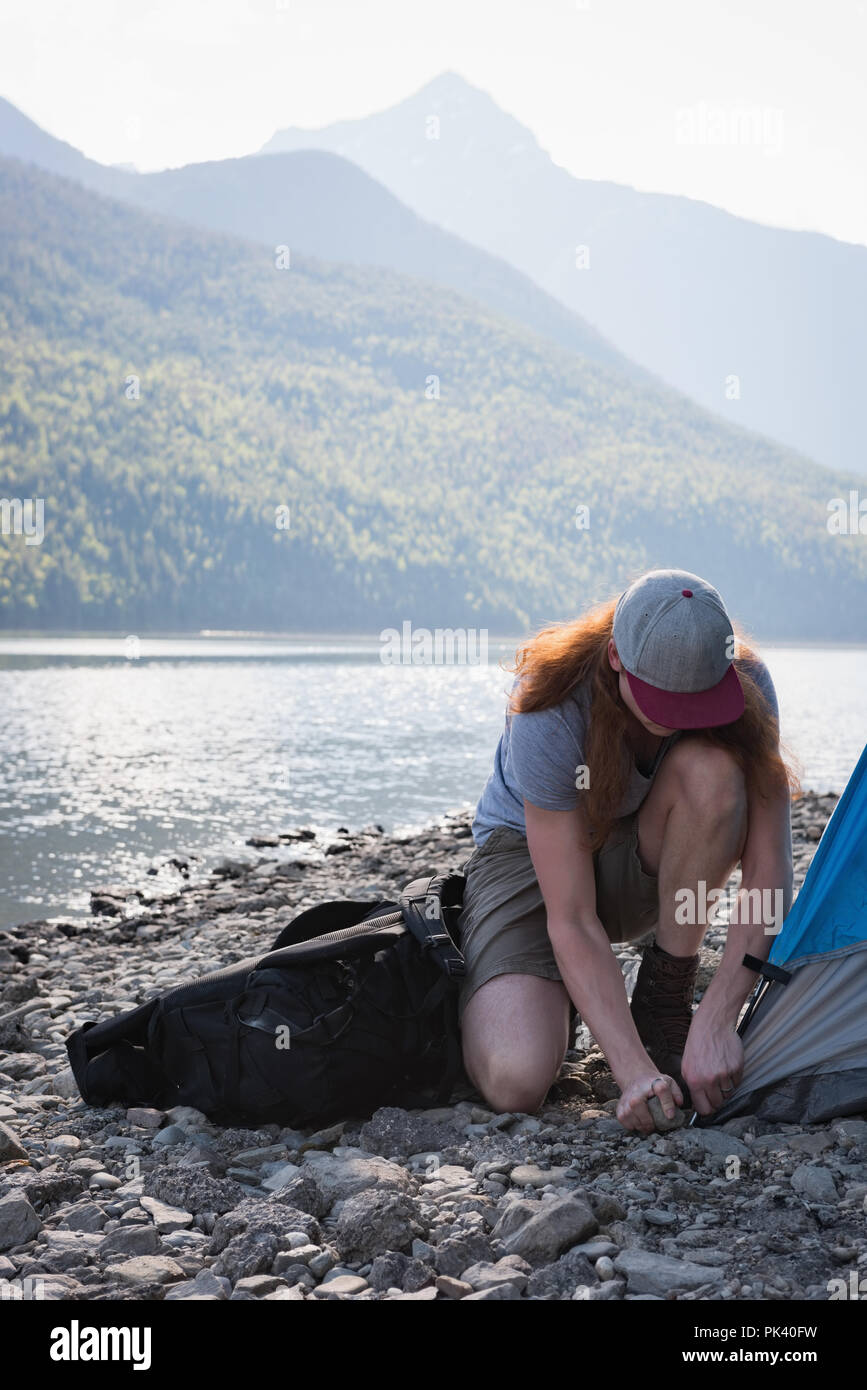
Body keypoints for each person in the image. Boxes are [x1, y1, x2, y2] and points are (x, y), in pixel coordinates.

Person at [457, 569, 797, 1134]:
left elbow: (769, 872)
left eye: (699, 704)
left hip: (642, 851)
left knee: (713, 772)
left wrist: (718, 1016)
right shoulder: (550, 703)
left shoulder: (746, 684)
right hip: (531, 861)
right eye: (665, 701)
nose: (681, 719)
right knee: (515, 1081)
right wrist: (634, 1073)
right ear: (616, 656)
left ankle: (663, 996)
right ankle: (525, 985)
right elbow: (569, 916)